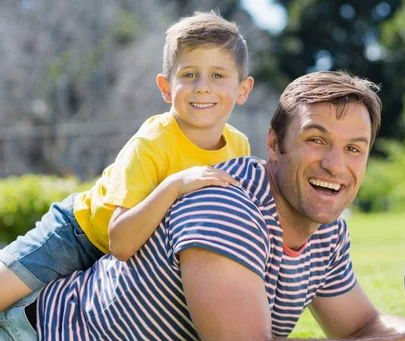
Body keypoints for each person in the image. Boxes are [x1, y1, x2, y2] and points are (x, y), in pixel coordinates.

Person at [0, 71, 405, 341]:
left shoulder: (325, 223)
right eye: (316, 140)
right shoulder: (226, 202)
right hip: (23, 338)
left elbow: (358, 328)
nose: (336, 165)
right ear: (274, 145)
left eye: (355, 149)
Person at [0, 11, 254, 312]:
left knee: (40, 316)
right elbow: (120, 242)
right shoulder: (151, 143)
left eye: (218, 75)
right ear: (165, 87)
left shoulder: (238, 146)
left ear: (243, 90)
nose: (202, 86)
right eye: (188, 74)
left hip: (130, 267)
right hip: (77, 235)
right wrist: (173, 186)